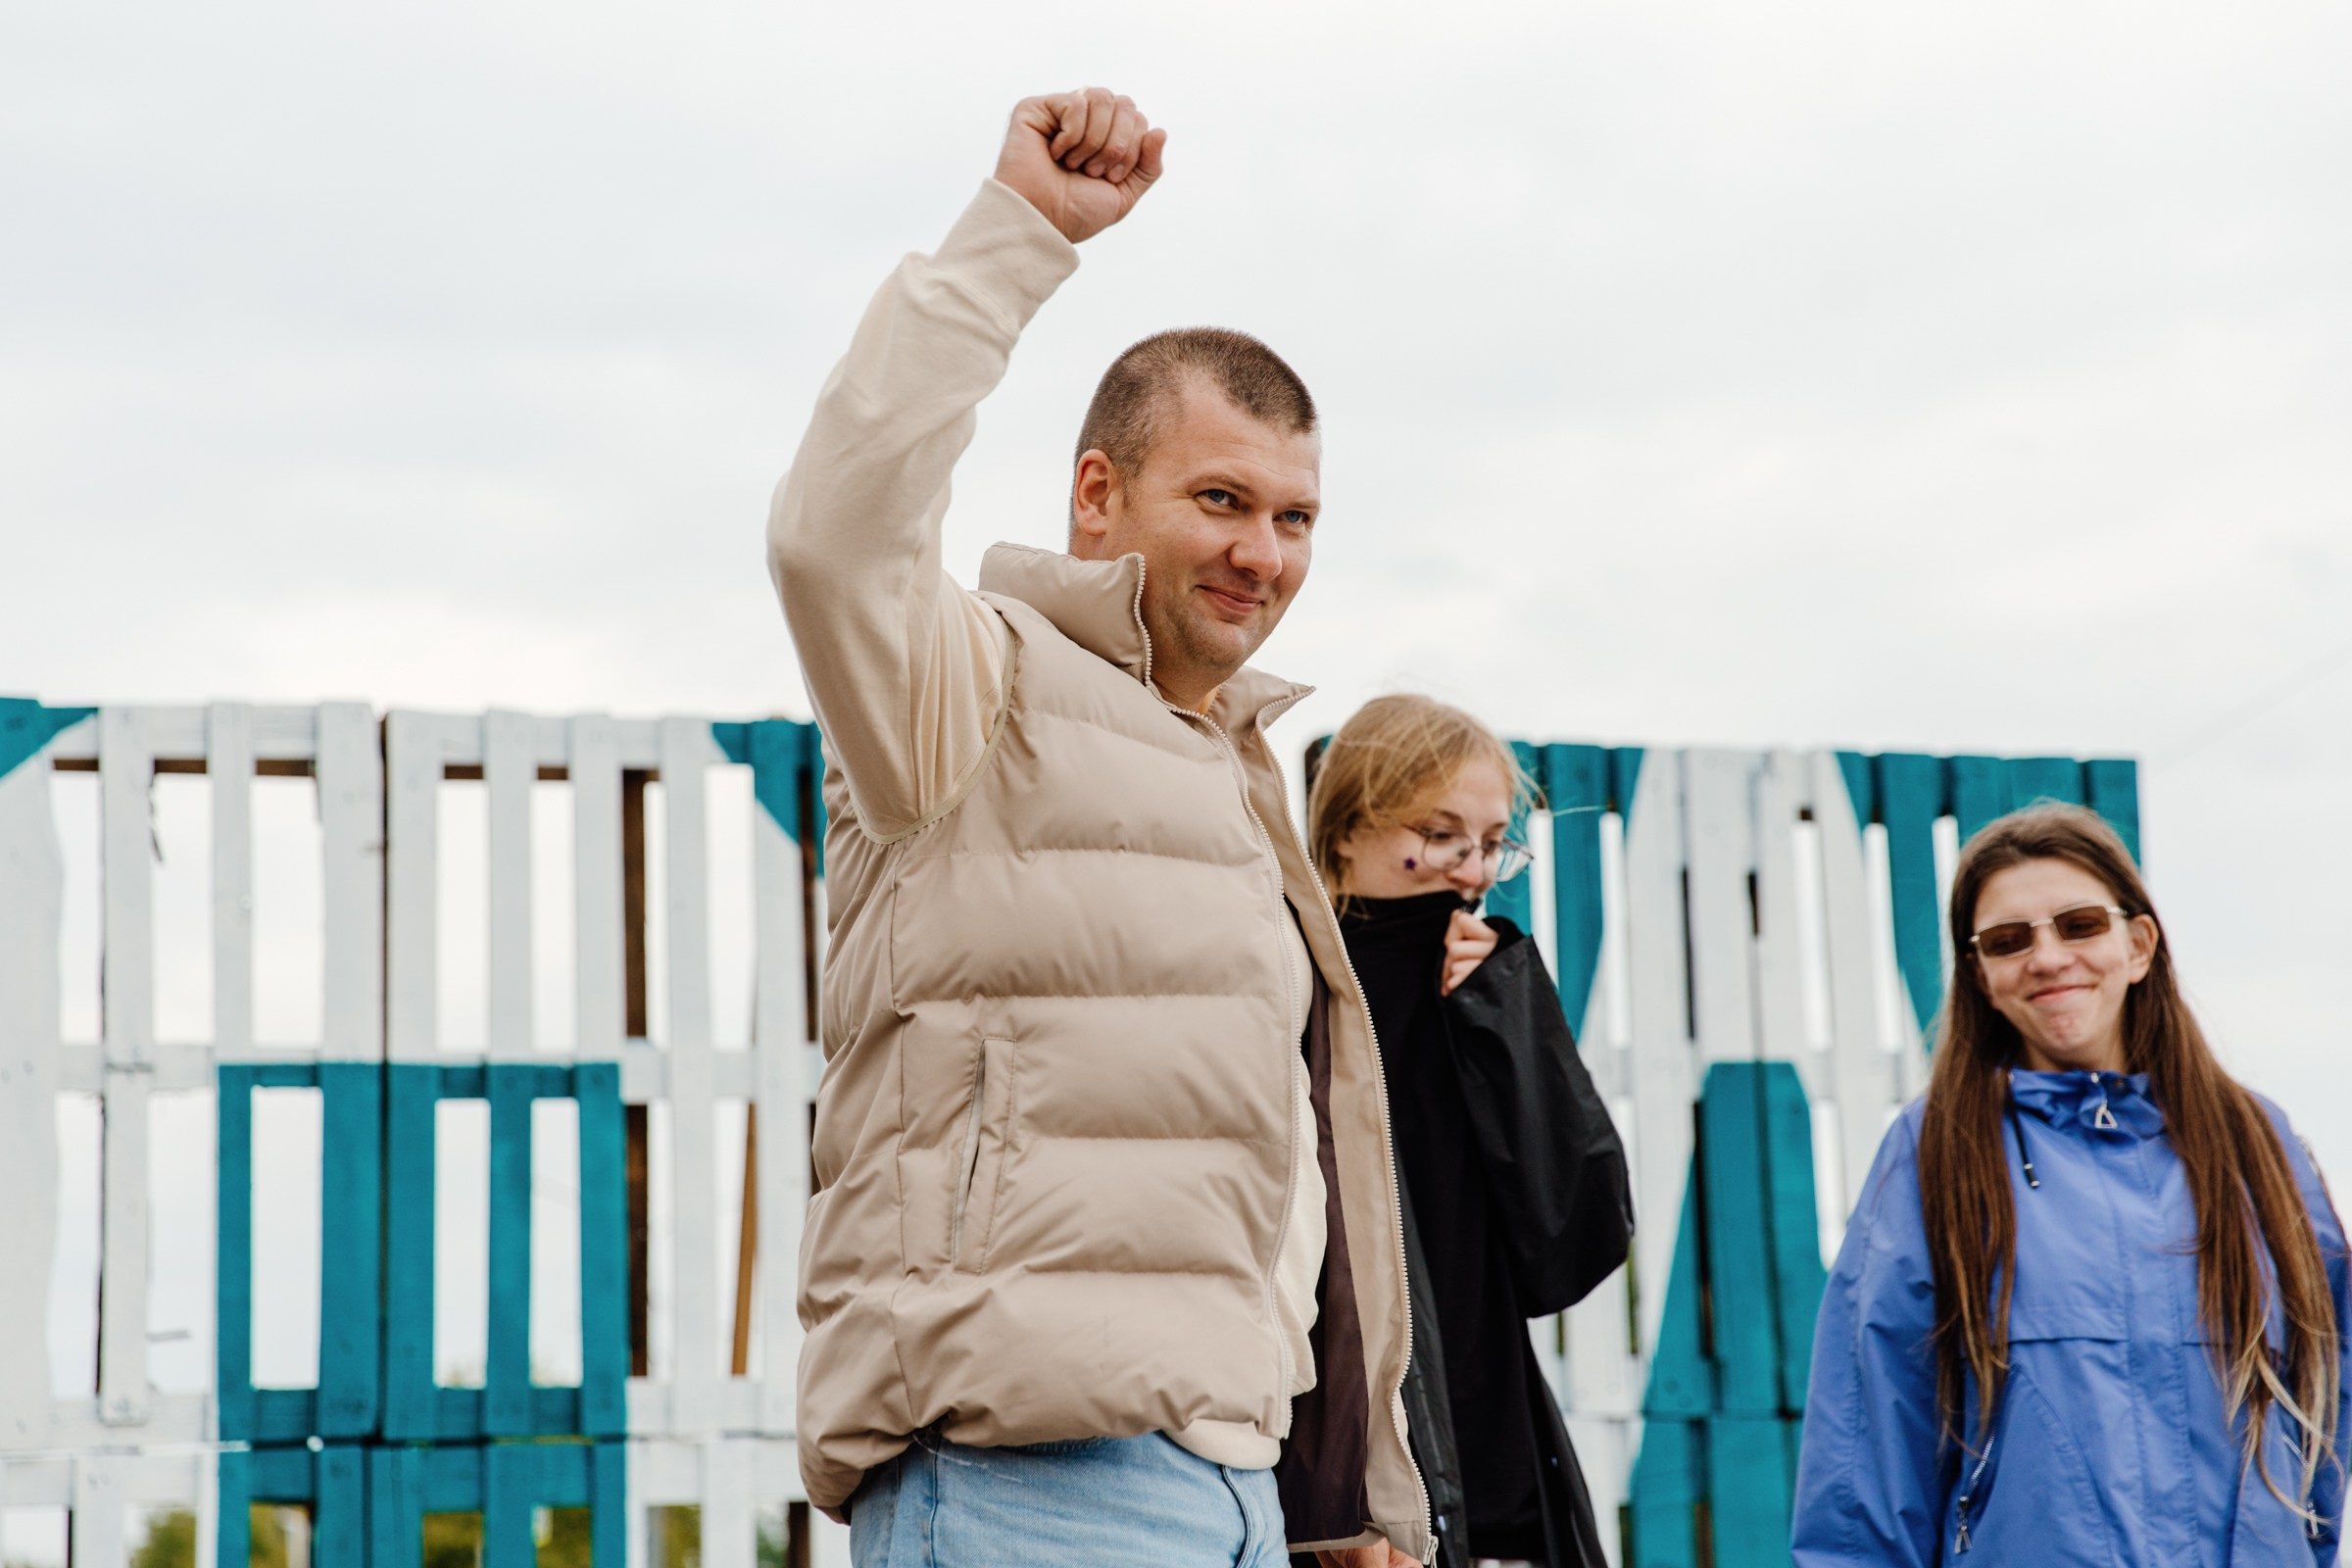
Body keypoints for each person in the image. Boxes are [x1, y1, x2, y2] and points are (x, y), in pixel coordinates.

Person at [766, 89, 1427, 1568]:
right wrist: (1018, 239)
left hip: (1235, 1490)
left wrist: (1332, 1499)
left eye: (1296, 517)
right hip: (1025, 1491)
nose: (1264, 554)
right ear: (1096, 495)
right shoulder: (971, 690)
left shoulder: (1240, 769)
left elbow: (1275, 1170)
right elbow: (833, 533)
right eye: (1220, 500)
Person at [1791, 803, 2349, 1565]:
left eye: (2079, 924)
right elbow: (1866, 1448)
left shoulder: (2258, 1143)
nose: (2048, 958)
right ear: (1981, 977)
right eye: (2009, 941)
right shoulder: (1937, 1152)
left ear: (2139, 943)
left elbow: (2324, 1398)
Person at [1306, 695, 1634, 1568]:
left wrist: (1510, 1019)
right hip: (1358, 1511)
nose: (1472, 869)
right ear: (1345, 834)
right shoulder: (1292, 996)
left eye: (1492, 842)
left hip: (1502, 1493)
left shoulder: (1494, 986)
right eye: (1442, 833)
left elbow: (1579, 1244)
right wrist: (1332, 1508)